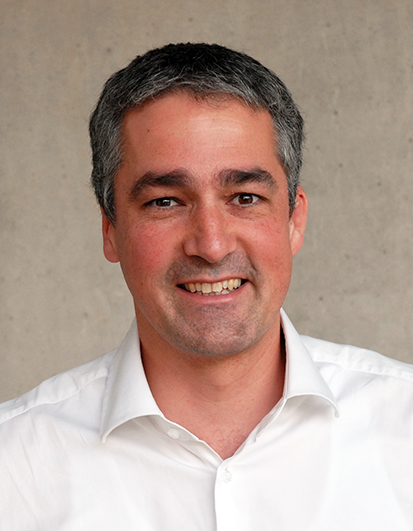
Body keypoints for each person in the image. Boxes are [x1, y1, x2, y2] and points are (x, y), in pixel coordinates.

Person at [1, 43, 412, 530]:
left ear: (294, 220)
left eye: (245, 197)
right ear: (110, 230)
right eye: (165, 202)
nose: (212, 246)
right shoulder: (15, 467)